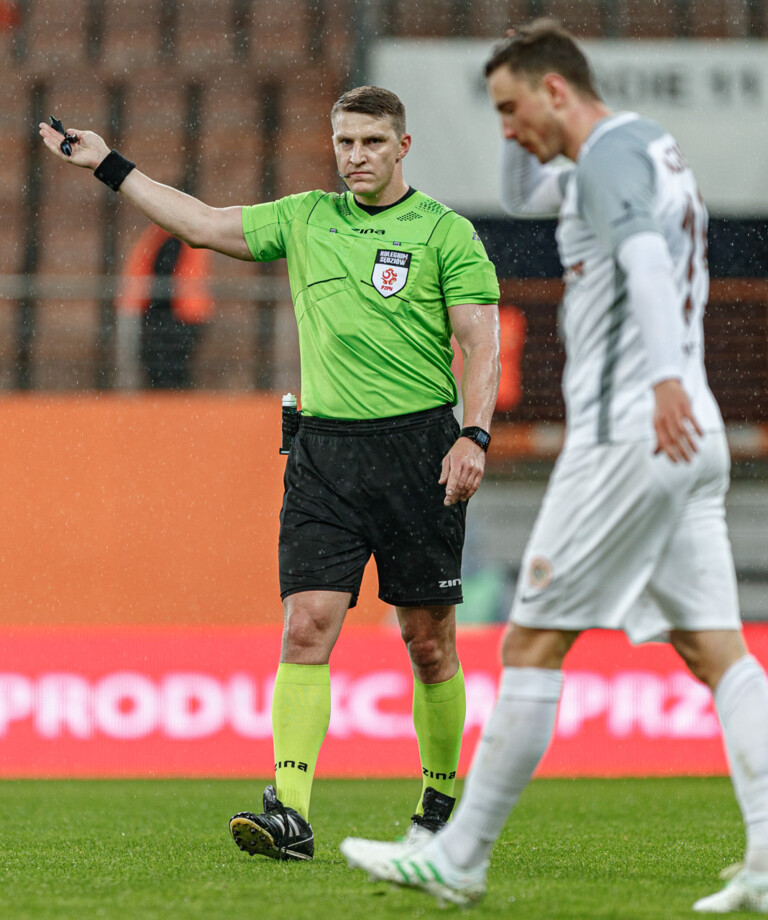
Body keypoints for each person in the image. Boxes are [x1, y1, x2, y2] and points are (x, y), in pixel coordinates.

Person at [340, 21, 768, 912]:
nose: (505, 127)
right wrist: (521, 123)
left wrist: (654, 382)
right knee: (718, 648)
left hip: (631, 431)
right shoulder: (645, 145)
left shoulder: (606, 159)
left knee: (535, 639)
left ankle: (457, 857)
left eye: (512, 107)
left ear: (558, 90)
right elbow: (529, 183)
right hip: (691, 434)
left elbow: (646, 264)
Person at [40, 86, 500, 862]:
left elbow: (480, 343)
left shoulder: (445, 234)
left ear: (403, 148)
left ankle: (440, 798)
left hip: (419, 451)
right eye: (345, 142)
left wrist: (475, 436)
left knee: (428, 643)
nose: (355, 156)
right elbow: (202, 222)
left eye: (372, 143)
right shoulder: (305, 217)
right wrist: (110, 166)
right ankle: (289, 810)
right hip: (323, 453)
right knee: (306, 625)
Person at [116, 223, 212, 389]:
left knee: (166, 370)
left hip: (176, 317)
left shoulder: (159, 237)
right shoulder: (169, 236)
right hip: (173, 316)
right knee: (167, 371)